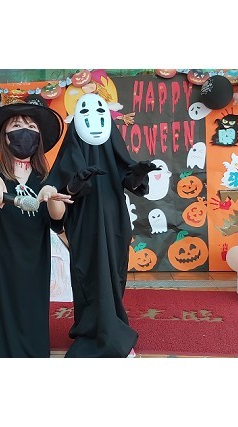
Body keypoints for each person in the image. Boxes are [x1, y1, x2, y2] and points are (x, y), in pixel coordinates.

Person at [47, 93, 159, 358]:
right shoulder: (72, 151)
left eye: (99, 113)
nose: (93, 119)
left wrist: (138, 173)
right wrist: (74, 184)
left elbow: (128, 178)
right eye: (85, 114)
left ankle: (113, 326)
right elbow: (59, 193)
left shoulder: (112, 146)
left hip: (115, 223)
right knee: (89, 276)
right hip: (84, 225)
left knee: (113, 276)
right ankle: (93, 333)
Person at [0, 97, 71, 358]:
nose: (24, 131)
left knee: (30, 335)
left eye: (31, 127)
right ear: (5, 136)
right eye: (16, 126)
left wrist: (52, 196)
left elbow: (57, 220)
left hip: (31, 270)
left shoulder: (45, 179)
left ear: (39, 138)